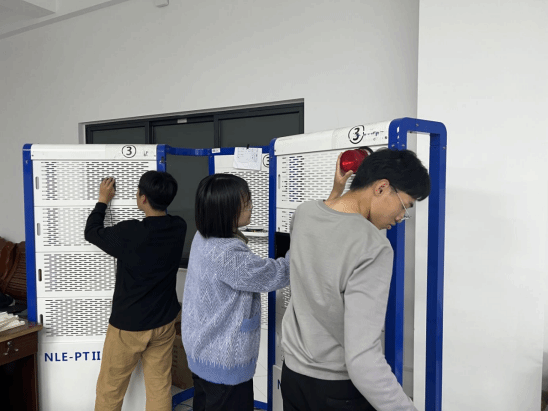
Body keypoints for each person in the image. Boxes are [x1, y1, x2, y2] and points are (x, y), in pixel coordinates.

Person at [181, 167, 350, 411]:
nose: (251, 207)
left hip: (202, 353)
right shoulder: (228, 255)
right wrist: (308, 238)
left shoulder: (203, 237)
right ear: (226, 211)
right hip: (224, 363)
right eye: (245, 203)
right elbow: (279, 273)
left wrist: (335, 193)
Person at [281, 148, 430, 411]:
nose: (400, 217)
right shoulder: (373, 246)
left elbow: (329, 223)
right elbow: (362, 359)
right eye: (404, 205)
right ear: (382, 187)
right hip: (337, 389)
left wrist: (337, 191)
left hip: (293, 376)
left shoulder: (304, 213)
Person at [84, 171, 187, 411]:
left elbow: (91, 231)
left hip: (128, 326)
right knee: (160, 388)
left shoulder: (130, 232)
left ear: (142, 198)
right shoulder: (178, 226)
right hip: (164, 322)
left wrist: (103, 200)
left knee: (110, 390)